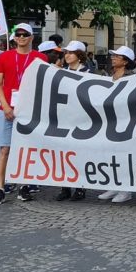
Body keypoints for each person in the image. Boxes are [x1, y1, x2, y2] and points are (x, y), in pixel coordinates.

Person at [0, 23, 48, 206]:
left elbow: (44, 84)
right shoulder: (4, 57)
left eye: (25, 34)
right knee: (4, 149)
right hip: (6, 108)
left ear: (32, 37)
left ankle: (24, 185)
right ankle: (0, 187)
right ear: (14, 38)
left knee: (26, 150)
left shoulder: (40, 58)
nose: (21, 37)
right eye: (18, 34)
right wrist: (5, 107)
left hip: (28, 111)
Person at [96, 46, 136, 204]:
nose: (113, 58)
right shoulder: (109, 75)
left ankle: (126, 190)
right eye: (113, 56)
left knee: (124, 154)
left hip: (125, 120)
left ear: (125, 61)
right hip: (110, 119)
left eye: (117, 56)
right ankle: (114, 185)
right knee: (110, 153)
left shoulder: (131, 77)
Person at [55, 41, 90, 202]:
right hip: (64, 117)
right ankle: (65, 187)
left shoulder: (89, 72)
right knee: (64, 152)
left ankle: (80, 187)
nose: (67, 55)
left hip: (82, 118)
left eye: (71, 53)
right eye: (66, 53)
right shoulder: (61, 71)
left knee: (80, 152)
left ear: (79, 55)